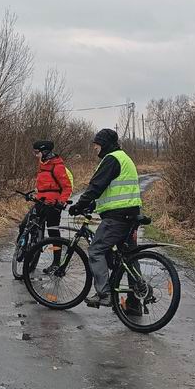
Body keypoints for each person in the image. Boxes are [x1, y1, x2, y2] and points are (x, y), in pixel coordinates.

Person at [69, 129, 142, 311]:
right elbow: (113, 190)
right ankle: (135, 302)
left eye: (97, 145)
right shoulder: (124, 158)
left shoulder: (111, 159)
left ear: (105, 144)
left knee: (96, 250)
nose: (95, 148)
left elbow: (96, 185)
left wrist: (80, 204)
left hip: (117, 217)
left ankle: (104, 294)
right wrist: (93, 205)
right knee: (129, 257)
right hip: (131, 214)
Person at [19, 140, 72, 275]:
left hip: (53, 205)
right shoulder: (42, 164)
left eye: (37, 152)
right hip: (40, 202)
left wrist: (60, 202)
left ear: (45, 152)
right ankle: (25, 248)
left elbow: (67, 187)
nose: (35, 155)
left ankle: (56, 262)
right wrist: (33, 193)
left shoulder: (57, 166)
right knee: (25, 224)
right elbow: (44, 185)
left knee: (53, 232)